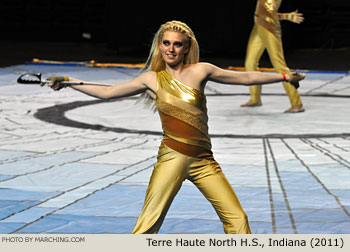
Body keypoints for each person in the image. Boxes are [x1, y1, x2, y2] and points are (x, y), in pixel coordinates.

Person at [47, 20, 305, 234]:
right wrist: (70, 81)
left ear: (186, 47)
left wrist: (284, 76)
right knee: (148, 225)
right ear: (159, 46)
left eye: (177, 44)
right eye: (166, 43)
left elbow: (245, 77)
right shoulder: (151, 79)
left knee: (238, 220)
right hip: (172, 157)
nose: (171, 49)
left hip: (204, 161)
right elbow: (109, 92)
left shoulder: (201, 70)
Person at [241, 0, 305, 113]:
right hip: (259, 24)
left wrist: (286, 16)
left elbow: (269, 12)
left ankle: (297, 103)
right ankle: (255, 98)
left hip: (269, 27)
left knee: (280, 66)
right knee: (250, 63)